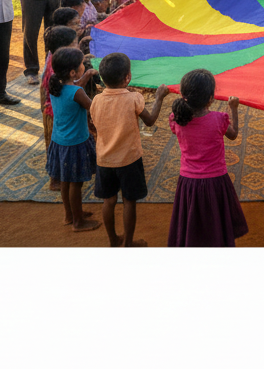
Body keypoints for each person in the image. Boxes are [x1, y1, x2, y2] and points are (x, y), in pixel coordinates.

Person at [92, 53, 169, 247]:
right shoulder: (134, 98)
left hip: (104, 159)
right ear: (128, 77)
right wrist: (159, 98)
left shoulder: (96, 100)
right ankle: (127, 244)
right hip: (129, 160)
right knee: (129, 201)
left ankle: (113, 240)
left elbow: (95, 124)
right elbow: (150, 121)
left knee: (108, 201)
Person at [167, 68, 248, 246]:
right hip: (216, 182)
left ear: (183, 95)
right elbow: (233, 134)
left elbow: (180, 129)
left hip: (188, 182)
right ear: (211, 99)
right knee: (216, 223)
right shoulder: (219, 119)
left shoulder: (177, 119)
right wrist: (234, 109)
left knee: (191, 221)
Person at [46, 46, 100, 232]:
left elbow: (74, 88)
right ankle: (78, 222)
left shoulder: (55, 85)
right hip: (75, 143)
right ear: (72, 72)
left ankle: (69, 215)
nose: (84, 66)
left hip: (59, 141)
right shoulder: (77, 93)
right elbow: (93, 108)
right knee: (76, 184)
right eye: (82, 64)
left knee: (65, 181)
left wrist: (88, 74)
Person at [40, 24, 79, 192]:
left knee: (57, 146)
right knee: (57, 148)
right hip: (56, 112)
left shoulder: (55, 60)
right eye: (75, 43)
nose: (77, 46)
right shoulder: (56, 69)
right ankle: (55, 179)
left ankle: (59, 177)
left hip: (55, 110)